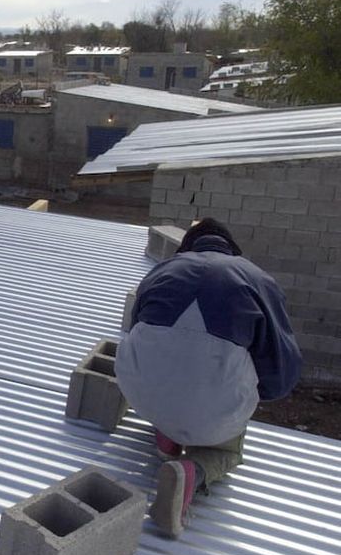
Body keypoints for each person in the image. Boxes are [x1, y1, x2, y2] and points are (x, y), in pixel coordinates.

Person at [116, 218, 301, 538]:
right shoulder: (257, 280)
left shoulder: (162, 271)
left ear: (186, 248)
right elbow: (282, 372)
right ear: (233, 251)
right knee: (227, 445)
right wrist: (249, 394)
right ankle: (192, 472)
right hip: (206, 411)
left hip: (142, 397)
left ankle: (167, 436)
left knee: (165, 365)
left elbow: (137, 334)